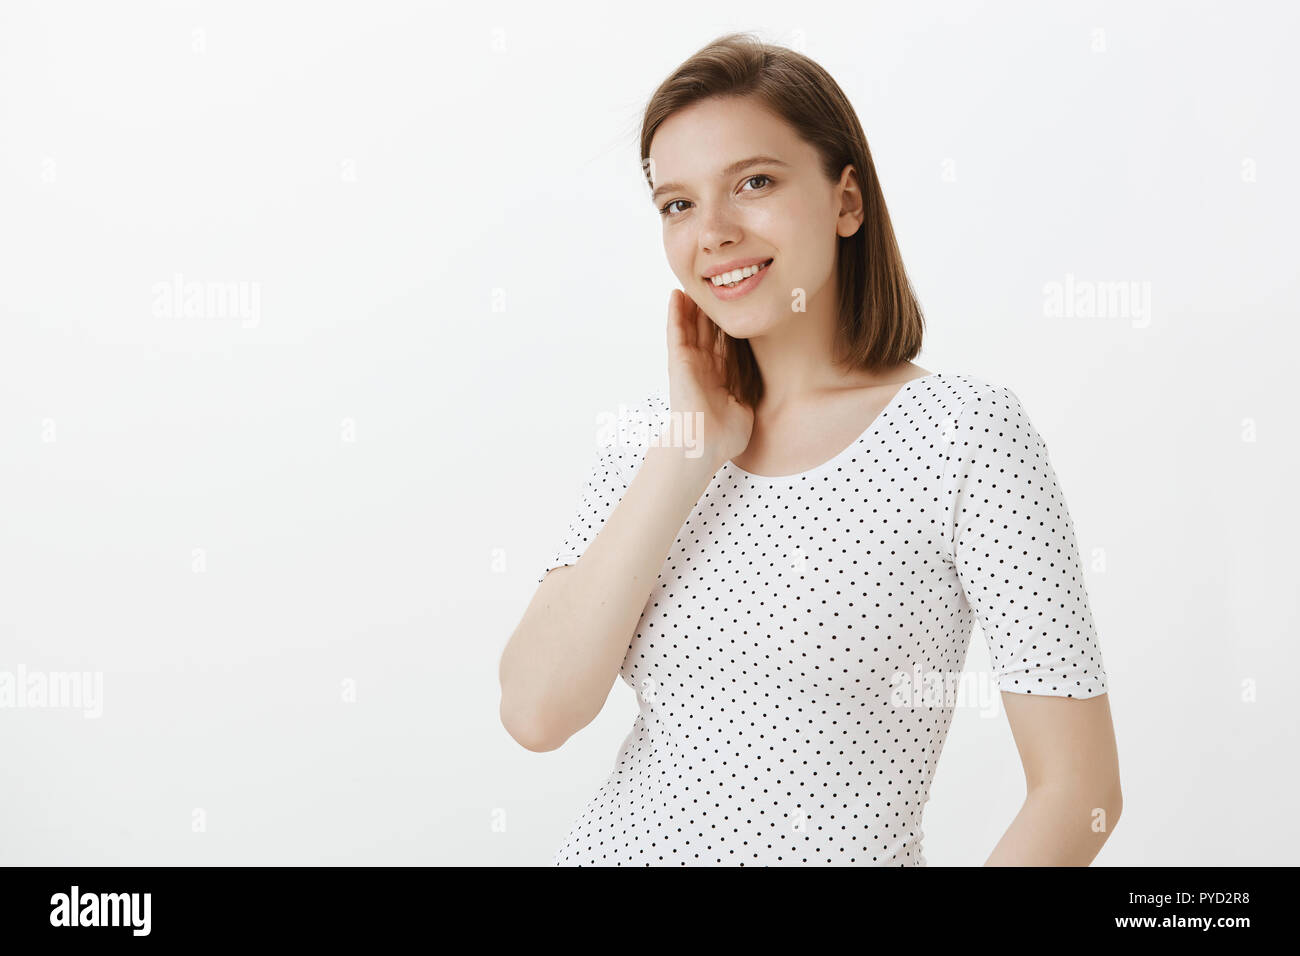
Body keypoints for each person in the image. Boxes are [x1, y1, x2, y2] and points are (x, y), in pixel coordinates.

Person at [499, 32, 1121, 866]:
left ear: (846, 201)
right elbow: (536, 713)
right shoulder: (657, 443)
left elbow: (1079, 794)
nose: (711, 232)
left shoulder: (965, 435)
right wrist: (691, 452)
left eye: (753, 183)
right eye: (677, 203)